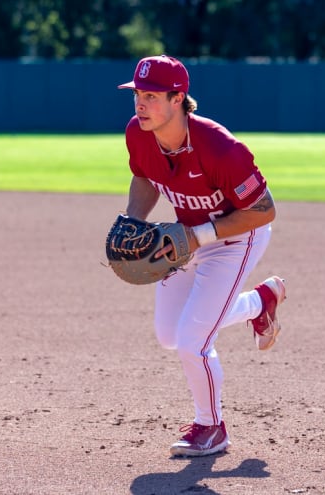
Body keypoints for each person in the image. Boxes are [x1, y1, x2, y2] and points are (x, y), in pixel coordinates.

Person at [116, 55, 286, 457]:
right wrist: (134, 219)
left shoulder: (220, 148)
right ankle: (259, 302)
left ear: (179, 98)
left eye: (152, 96)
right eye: (138, 94)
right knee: (170, 335)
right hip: (187, 236)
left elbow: (264, 210)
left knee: (194, 340)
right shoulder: (138, 134)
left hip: (237, 236)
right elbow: (144, 175)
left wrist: (199, 235)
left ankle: (211, 427)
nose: (141, 104)